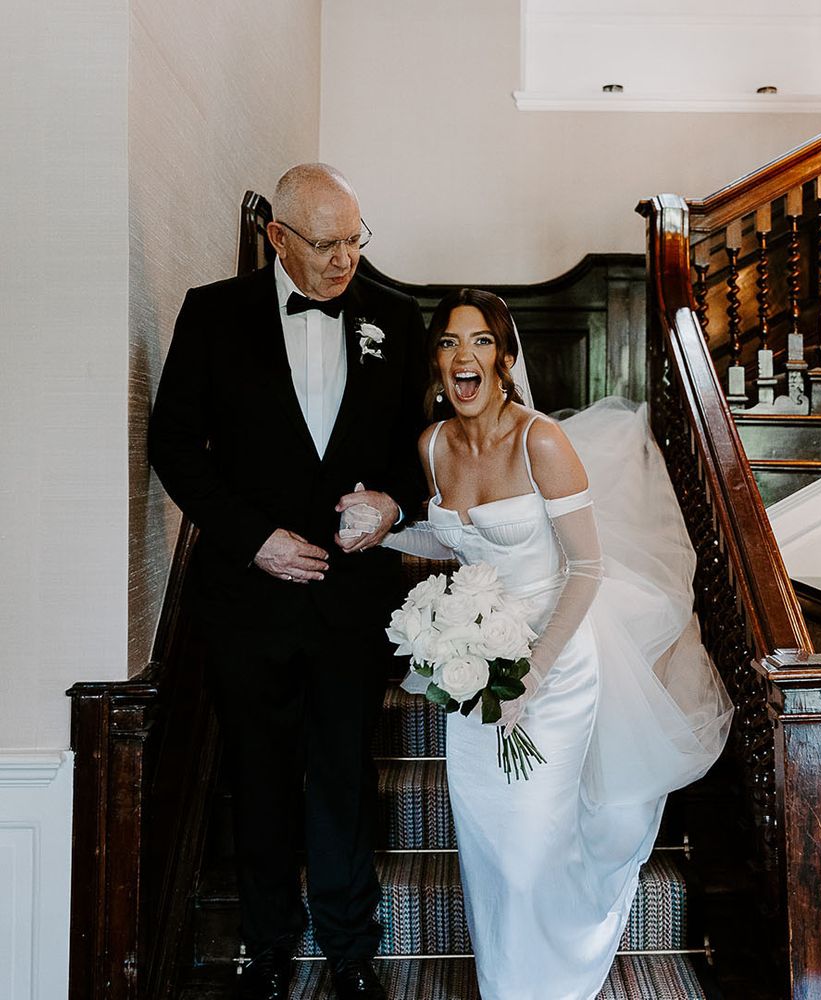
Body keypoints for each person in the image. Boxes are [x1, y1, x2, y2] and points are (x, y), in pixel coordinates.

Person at [375, 288, 733, 1000]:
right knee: (490, 850)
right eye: (448, 344)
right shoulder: (433, 444)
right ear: (436, 364)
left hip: (557, 662)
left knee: (531, 847)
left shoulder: (541, 439)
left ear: (505, 360)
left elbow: (587, 566)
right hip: (474, 664)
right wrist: (381, 531)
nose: (462, 357)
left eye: (479, 342)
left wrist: (534, 672)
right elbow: (453, 539)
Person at [148, 163, 426, 1000]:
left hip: (351, 598)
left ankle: (351, 953)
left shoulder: (396, 320)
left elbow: (423, 454)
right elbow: (172, 446)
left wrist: (392, 503)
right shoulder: (212, 315)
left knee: (344, 773)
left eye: (355, 239)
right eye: (327, 243)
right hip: (248, 599)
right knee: (257, 775)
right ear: (277, 237)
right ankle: (267, 948)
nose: (346, 260)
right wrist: (252, 539)